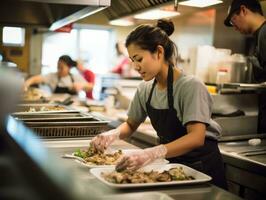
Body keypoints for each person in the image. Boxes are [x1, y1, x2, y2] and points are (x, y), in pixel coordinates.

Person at [91, 19, 227, 189]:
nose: (135, 66)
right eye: (132, 60)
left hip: (201, 168)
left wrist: (153, 152)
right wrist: (113, 134)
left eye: (139, 59)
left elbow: (196, 138)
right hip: (169, 167)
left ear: (159, 52)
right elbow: (131, 124)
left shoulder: (190, 86)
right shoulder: (145, 89)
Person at [224, 0, 266, 133]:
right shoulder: (260, 34)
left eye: (233, 21)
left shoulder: (264, 33)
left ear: (243, 10)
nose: (234, 27)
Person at [24, 55, 89, 95]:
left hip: (74, 106)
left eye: (61, 68)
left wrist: (82, 86)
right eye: (58, 67)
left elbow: (90, 87)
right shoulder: (52, 76)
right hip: (57, 106)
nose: (59, 70)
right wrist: (27, 83)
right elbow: (37, 78)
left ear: (69, 68)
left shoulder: (75, 77)